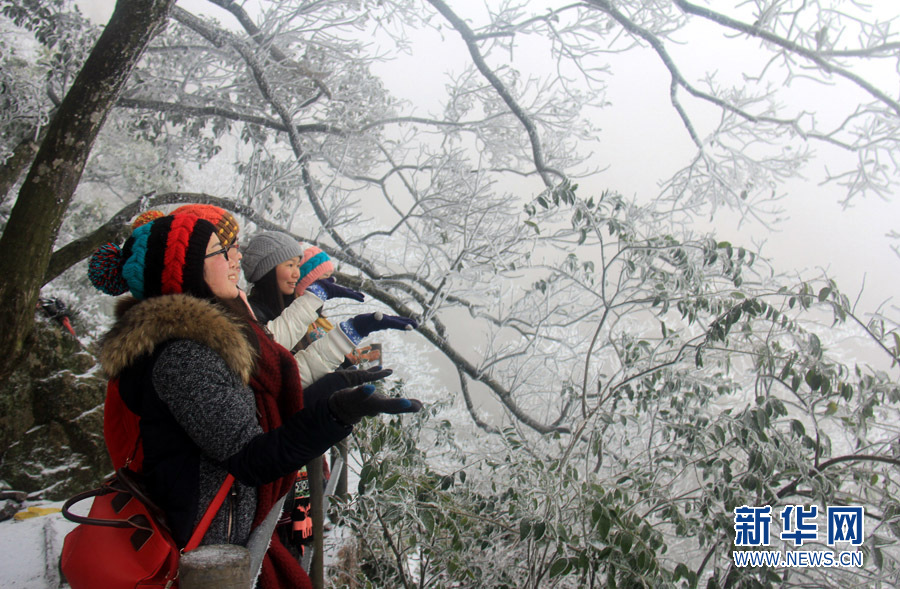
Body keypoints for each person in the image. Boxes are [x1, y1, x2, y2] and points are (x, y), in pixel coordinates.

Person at [87, 210, 422, 588]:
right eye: (221, 250)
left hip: (225, 533)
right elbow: (253, 455)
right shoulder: (185, 356)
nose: (236, 258)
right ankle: (300, 544)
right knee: (297, 536)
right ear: (187, 269)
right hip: (205, 552)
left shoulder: (207, 340)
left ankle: (301, 544)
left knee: (299, 538)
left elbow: (272, 392)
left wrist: (337, 385)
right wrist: (335, 410)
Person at [241, 231, 417, 387]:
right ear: (269, 269)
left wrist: (354, 334)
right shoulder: (252, 315)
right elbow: (277, 369)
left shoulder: (305, 316)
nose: (296, 273)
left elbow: (303, 371)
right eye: (290, 265)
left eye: (297, 265)